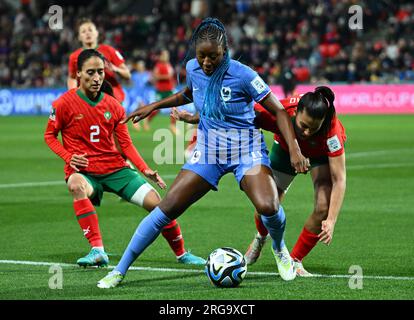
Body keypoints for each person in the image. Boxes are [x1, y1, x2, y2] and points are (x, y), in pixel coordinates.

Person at [97, 17, 309, 288]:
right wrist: (153, 105)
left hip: (246, 150)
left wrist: (294, 150)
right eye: (202, 56)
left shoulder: (244, 75)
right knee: (167, 208)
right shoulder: (193, 68)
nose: (207, 63)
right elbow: (189, 92)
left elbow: (279, 110)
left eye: (214, 57)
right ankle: (119, 270)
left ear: (225, 51)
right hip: (209, 152)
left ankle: (280, 250)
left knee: (268, 205)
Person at [44, 49, 206, 268]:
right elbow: (50, 136)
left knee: (158, 204)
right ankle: (97, 250)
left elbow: (126, 145)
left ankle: (182, 253)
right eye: (90, 72)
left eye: (100, 72)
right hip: (85, 172)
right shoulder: (63, 103)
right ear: (78, 74)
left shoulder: (114, 106)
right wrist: (68, 156)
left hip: (116, 170)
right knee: (75, 185)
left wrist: (144, 169)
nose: (96, 78)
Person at [244, 86, 347, 276]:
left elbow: (339, 179)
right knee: (266, 205)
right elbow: (244, 113)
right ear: (296, 112)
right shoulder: (282, 110)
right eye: (303, 126)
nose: (307, 132)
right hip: (286, 149)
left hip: (319, 156)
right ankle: (261, 237)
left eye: (313, 128)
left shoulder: (332, 132)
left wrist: (331, 220)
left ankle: (295, 260)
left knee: (324, 206)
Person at [67, 18, 131, 104]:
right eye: (83, 31)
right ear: (79, 37)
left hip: (112, 98)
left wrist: (115, 69)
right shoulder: (74, 56)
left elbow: (127, 75)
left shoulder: (109, 50)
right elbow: (72, 77)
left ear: (97, 33)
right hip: (88, 100)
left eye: (90, 30)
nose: (87, 33)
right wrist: (73, 95)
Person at [144, 50, 178, 134]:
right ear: (161, 56)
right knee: (157, 109)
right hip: (160, 90)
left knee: (174, 107)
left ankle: (172, 126)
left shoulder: (168, 64)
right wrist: (167, 77)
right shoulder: (158, 65)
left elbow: (171, 76)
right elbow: (156, 76)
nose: (166, 56)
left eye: (167, 55)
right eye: (165, 55)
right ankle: (147, 121)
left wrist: (171, 80)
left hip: (169, 90)